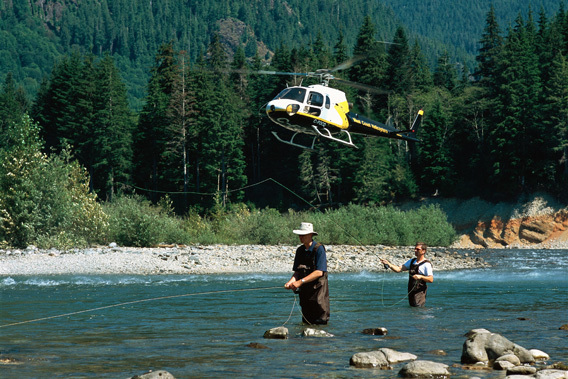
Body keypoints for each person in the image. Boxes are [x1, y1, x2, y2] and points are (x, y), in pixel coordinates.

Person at [284, 222, 330, 324]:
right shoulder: (300, 250)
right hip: (305, 292)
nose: (300, 237)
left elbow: (319, 272)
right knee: (306, 320)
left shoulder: (319, 249)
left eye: (303, 235)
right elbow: (297, 272)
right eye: (300, 235)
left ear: (310, 235)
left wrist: (300, 282)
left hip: (318, 291)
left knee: (320, 320)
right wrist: (290, 282)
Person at [380, 242, 434, 307]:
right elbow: (398, 269)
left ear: (423, 251)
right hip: (410, 291)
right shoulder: (411, 261)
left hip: (419, 293)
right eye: (415, 249)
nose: (415, 250)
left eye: (418, 249)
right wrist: (388, 264)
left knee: (418, 310)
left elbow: (431, 279)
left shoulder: (426, 264)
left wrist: (421, 277)